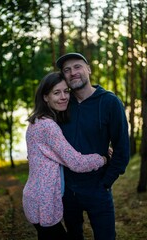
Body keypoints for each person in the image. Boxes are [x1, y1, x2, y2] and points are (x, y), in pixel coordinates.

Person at [22, 72, 108, 240]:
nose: (64, 97)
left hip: (35, 197)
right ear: (45, 97)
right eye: (56, 92)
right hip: (43, 201)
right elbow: (76, 162)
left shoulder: (36, 122)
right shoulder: (48, 126)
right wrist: (104, 158)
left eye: (66, 91)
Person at [56, 53, 130, 240]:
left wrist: (106, 183)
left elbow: (122, 149)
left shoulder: (110, 102)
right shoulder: (62, 103)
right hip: (67, 190)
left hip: (98, 188)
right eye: (67, 70)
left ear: (88, 69)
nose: (73, 73)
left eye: (77, 67)